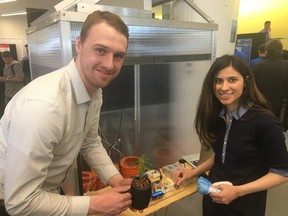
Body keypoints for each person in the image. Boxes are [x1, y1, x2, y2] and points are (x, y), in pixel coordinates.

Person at [0, 10, 135, 216]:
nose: (109, 65)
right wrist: (95, 204)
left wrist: (115, 180)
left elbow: (90, 142)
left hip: (46, 192)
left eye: (118, 56)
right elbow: (19, 202)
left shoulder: (94, 92)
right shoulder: (44, 107)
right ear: (79, 44)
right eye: (100, 50)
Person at [173, 55, 288, 216]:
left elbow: (281, 173)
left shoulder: (265, 122)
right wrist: (193, 172)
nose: (224, 87)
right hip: (213, 201)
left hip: (245, 207)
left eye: (232, 80)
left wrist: (237, 191)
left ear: (246, 82)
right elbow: (221, 155)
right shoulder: (218, 117)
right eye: (218, 81)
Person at [253, 39, 288, 131]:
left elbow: (253, 87)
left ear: (267, 51)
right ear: (281, 50)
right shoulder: (286, 66)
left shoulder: (258, 66)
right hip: (282, 109)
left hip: (262, 106)